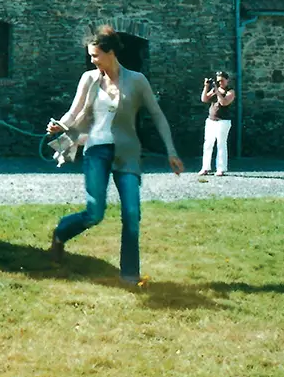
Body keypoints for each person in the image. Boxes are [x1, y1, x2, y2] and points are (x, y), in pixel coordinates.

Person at [46, 26, 184, 284]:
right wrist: (60, 126)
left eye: (95, 55)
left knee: (132, 214)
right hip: (96, 150)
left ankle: (130, 274)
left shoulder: (137, 80)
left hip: (127, 153)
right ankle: (60, 234)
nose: (92, 60)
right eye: (90, 56)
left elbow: (157, 115)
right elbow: (74, 112)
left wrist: (171, 151)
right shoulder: (89, 79)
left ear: (110, 53)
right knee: (94, 213)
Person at [199, 70, 236, 177]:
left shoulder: (230, 91)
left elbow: (224, 102)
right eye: (218, 81)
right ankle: (205, 167)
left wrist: (217, 91)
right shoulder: (216, 89)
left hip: (223, 121)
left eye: (222, 80)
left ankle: (221, 168)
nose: (220, 83)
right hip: (211, 120)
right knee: (208, 144)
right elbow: (204, 99)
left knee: (221, 144)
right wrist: (206, 87)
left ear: (227, 80)